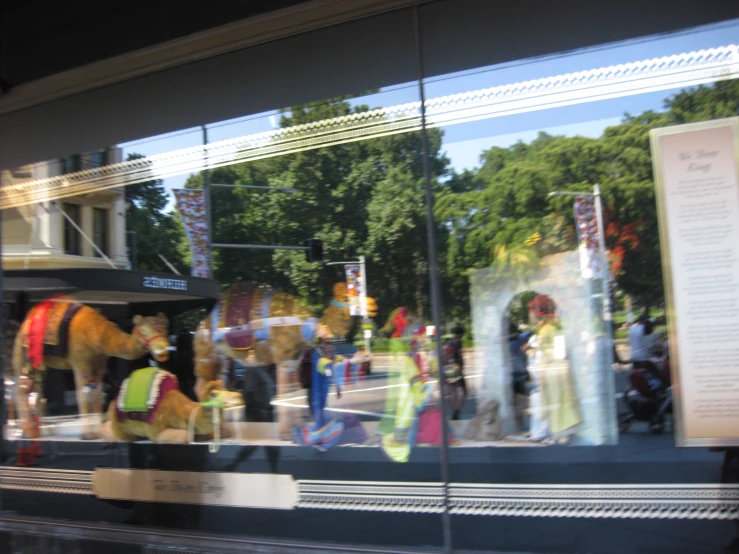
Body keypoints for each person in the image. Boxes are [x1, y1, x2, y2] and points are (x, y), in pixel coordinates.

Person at [447, 324, 467, 419]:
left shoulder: (450, 341)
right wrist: (461, 367)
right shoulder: (458, 341)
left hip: (450, 367)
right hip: (457, 368)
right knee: (464, 391)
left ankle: (455, 410)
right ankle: (457, 411)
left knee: (453, 390)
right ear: (461, 333)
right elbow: (459, 355)